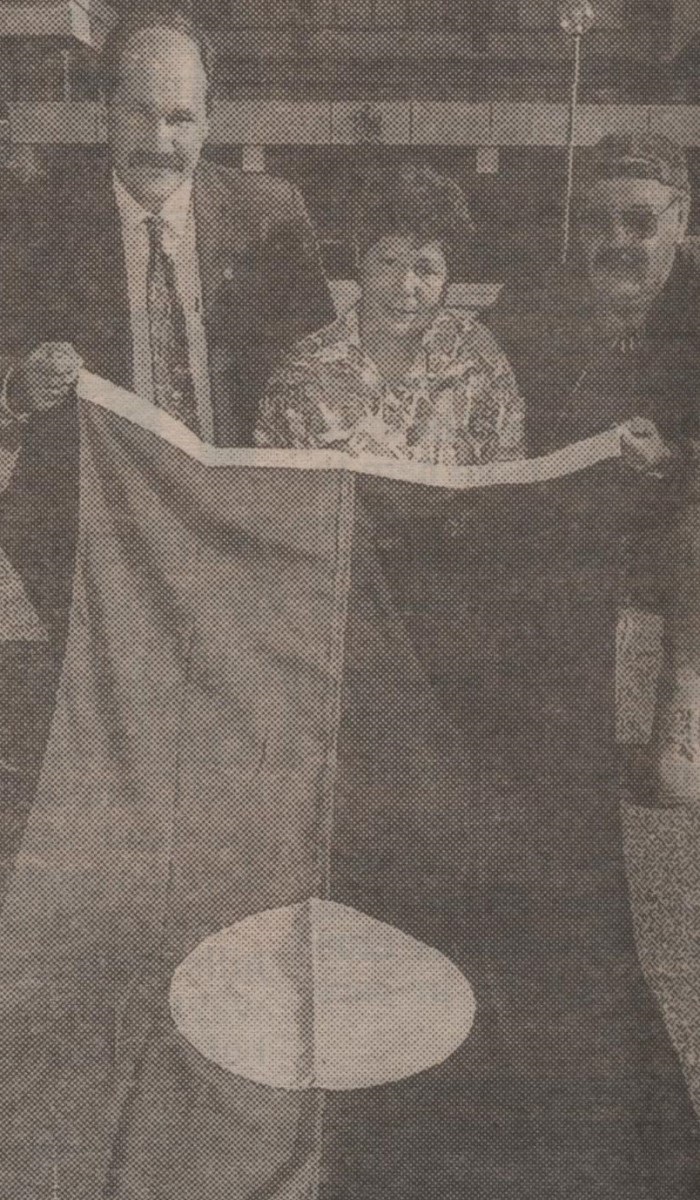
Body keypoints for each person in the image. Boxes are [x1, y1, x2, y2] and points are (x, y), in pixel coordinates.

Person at [0, 6, 334, 826]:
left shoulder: (273, 216)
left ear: (210, 119)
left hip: (233, 522)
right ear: (104, 111)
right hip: (91, 529)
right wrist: (15, 386)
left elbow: (326, 373)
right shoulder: (37, 218)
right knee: (110, 760)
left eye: (182, 117)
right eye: (141, 112)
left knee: (235, 754)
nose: (161, 139)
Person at [255, 162, 525, 464]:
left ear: (447, 280)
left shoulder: (478, 357)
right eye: (388, 262)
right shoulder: (304, 374)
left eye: (426, 269)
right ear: (361, 263)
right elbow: (277, 497)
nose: (405, 286)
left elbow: (508, 475)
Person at [489, 132, 700, 460]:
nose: (617, 241)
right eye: (598, 222)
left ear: (682, 219)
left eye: (640, 222)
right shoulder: (536, 298)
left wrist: (675, 456)